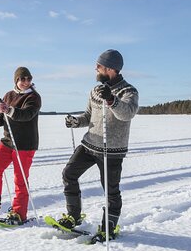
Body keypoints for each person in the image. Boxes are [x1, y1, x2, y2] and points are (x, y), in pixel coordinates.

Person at [57, 49, 139, 241]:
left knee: (110, 191)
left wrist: (111, 100)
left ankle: (108, 228)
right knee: (69, 174)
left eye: (99, 66)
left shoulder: (129, 91)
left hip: (111, 150)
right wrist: (76, 122)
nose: (95, 68)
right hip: (89, 144)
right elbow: (89, 116)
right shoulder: (95, 90)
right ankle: (74, 216)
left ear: (110, 69)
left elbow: (127, 113)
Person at [0, 66, 42, 225]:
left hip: (25, 144)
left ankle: (19, 213)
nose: (26, 82)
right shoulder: (8, 95)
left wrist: (9, 109)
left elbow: (26, 115)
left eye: (28, 79)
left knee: (20, 179)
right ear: (16, 80)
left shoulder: (34, 97)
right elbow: (2, 117)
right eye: (22, 79)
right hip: (7, 142)